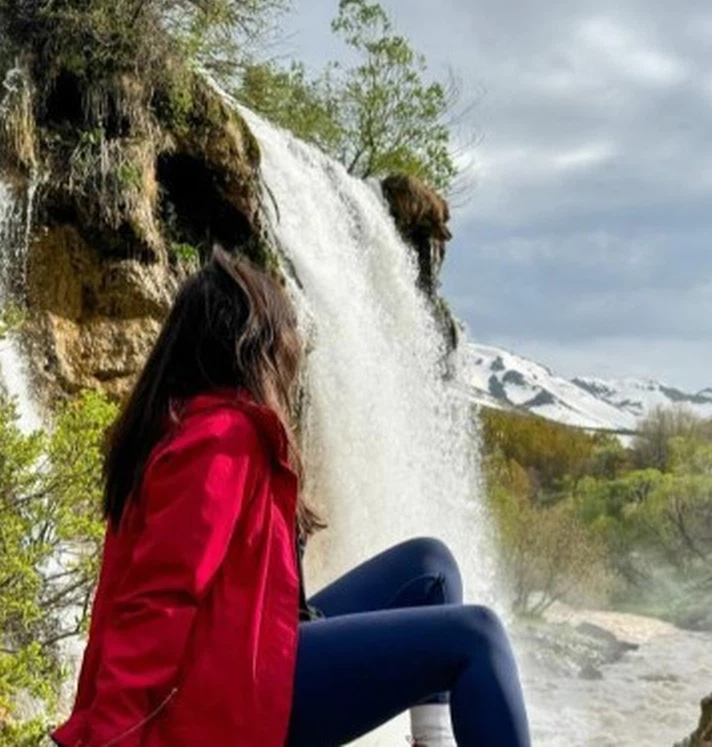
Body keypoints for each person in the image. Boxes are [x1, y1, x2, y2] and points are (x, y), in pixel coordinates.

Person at [51, 249, 530, 747]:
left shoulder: (192, 423)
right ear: (254, 346)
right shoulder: (217, 438)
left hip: (244, 654)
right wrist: (108, 734)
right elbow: (161, 596)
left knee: (430, 567)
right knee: (479, 637)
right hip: (220, 709)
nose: (295, 345)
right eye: (286, 329)